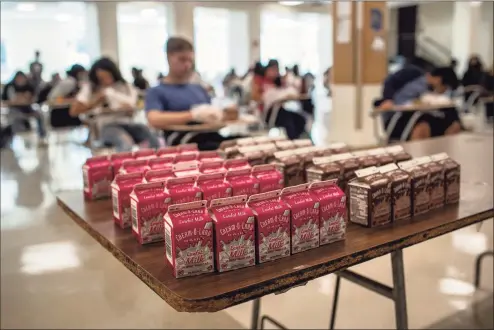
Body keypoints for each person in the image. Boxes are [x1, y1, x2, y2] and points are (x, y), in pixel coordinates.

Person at [145, 37, 238, 150]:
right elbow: (154, 118)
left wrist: (223, 113)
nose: (187, 65)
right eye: (182, 59)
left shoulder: (198, 88)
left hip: (210, 134)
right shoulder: (157, 91)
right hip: (182, 140)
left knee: (245, 142)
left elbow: (210, 113)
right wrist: (192, 115)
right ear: (169, 57)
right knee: (224, 149)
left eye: (190, 61)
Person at [69, 57, 159, 151]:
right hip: (106, 125)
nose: (106, 81)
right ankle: (123, 165)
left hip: (128, 122)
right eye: (101, 79)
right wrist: (96, 101)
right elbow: (74, 111)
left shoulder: (124, 86)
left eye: (108, 77)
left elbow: (134, 107)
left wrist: (128, 109)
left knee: (151, 137)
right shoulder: (91, 88)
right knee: (125, 142)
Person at [378, 61, 462, 142]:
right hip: (400, 116)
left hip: (421, 114)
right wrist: (388, 99)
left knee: (453, 119)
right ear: (438, 80)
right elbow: (389, 81)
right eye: (445, 88)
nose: (444, 91)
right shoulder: (413, 74)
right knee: (423, 124)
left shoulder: (432, 92)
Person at [261, 59, 307, 139]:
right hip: (269, 113)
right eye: (273, 70)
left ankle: (296, 141)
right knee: (289, 123)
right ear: (268, 70)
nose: (276, 72)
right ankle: (292, 142)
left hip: (278, 110)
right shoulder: (263, 83)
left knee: (301, 119)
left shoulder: (278, 82)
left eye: (277, 70)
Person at [1, 71, 47, 145]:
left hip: (27, 108)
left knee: (39, 114)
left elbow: (34, 99)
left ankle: (42, 136)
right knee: (12, 119)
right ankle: (9, 140)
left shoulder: (29, 86)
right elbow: (5, 101)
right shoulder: (9, 87)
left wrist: (26, 99)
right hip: (14, 109)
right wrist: (16, 101)